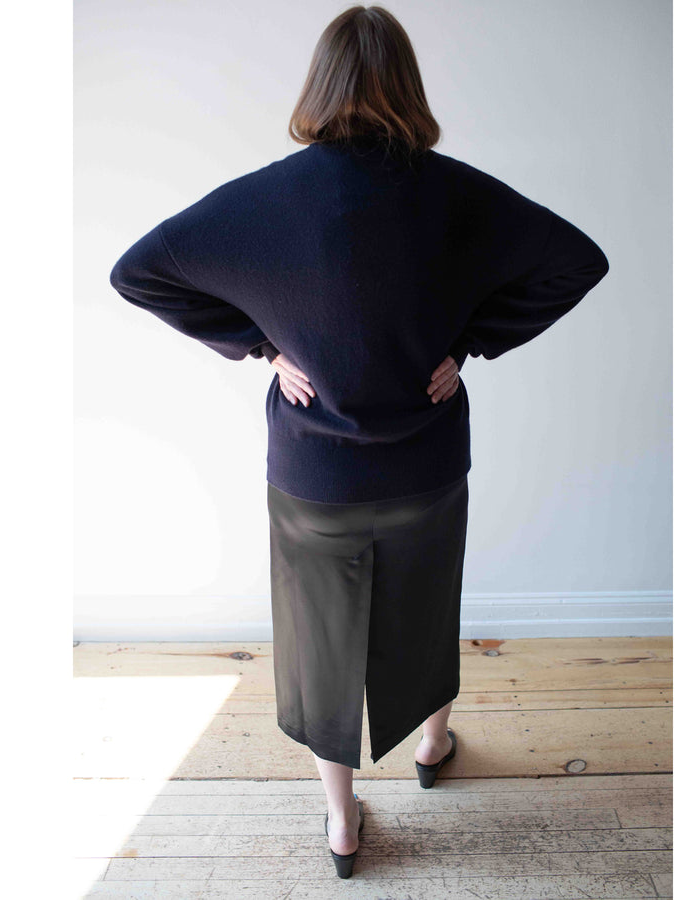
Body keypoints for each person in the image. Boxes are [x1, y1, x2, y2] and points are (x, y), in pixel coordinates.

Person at [108, 4, 609, 879]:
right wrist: (471, 341)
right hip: (425, 461)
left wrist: (261, 345)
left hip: (314, 473)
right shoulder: (456, 193)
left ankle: (342, 823)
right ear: (407, 86)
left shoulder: (265, 197)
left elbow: (138, 272)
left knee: (320, 645)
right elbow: (577, 260)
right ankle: (432, 745)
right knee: (425, 606)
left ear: (320, 86)